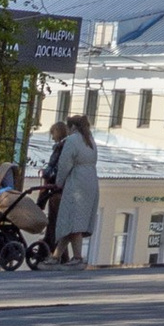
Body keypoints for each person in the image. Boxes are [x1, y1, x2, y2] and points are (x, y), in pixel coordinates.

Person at [47, 108, 100, 270]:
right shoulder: (89, 140)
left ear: (72, 127)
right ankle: (55, 257)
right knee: (73, 221)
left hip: (76, 182)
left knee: (73, 221)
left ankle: (77, 258)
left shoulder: (72, 140)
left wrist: (59, 182)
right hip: (91, 181)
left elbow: (64, 164)